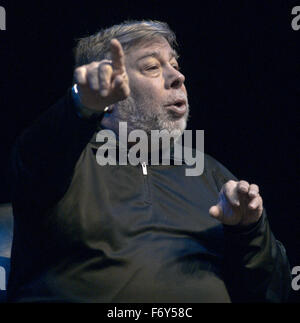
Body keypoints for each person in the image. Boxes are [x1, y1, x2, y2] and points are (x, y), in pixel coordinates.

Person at [8, 20, 291, 303]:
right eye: (152, 67)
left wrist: (249, 231)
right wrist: (80, 105)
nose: (178, 77)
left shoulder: (211, 173)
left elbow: (273, 293)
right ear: (108, 91)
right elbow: (35, 157)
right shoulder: (64, 162)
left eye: (175, 65)